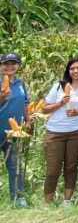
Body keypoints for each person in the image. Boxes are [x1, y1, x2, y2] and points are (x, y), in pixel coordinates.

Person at [42, 56, 78, 206]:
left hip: (77, 131)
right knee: (53, 169)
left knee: (71, 166)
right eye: (72, 68)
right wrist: (60, 103)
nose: (76, 71)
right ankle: (48, 202)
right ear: (68, 71)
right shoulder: (59, 86)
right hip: (55, 131)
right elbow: (44, 109)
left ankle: (67, 200)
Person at [0, 52, 30, 208]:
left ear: (18, 66)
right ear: (1, 66)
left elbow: (26, 103)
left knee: (14, 165)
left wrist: (28, 120)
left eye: (13, 63)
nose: (9, 67)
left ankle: (18, 198)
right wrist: (2, 97)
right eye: (6, 64)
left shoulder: (20, 83)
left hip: (14, 132)